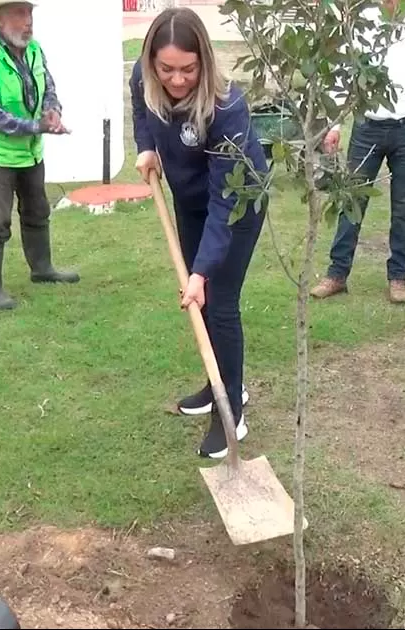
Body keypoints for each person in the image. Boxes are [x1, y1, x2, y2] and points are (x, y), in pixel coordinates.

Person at [130, 7, 267, 458]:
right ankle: (220, 385)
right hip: (190, 202)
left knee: (219, 301)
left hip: (237, 206)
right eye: (166, 68)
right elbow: (140, 102)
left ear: (203, 61)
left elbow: (225, 202)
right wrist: (147, 146)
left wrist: (201, 271)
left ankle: (231, 414)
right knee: (203, 301)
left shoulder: (227, 107)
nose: (176, 79)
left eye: (187, 69)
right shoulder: (145, 74)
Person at [309, 0, 405, 305]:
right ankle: (337, 274)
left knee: (403, 208)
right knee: (352, 201)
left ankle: (398, 277)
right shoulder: (363, 20)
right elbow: (344, 73)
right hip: (367, 126)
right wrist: (334, 125)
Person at [0, 0, 79, 311]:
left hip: (29, 152)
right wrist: (36, 126)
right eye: (19, 13)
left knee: (38, 210)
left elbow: (48, 86)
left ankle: (42, 270)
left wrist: (52, 111)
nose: (28, 21)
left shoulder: (35, 49)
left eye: (29, 13)